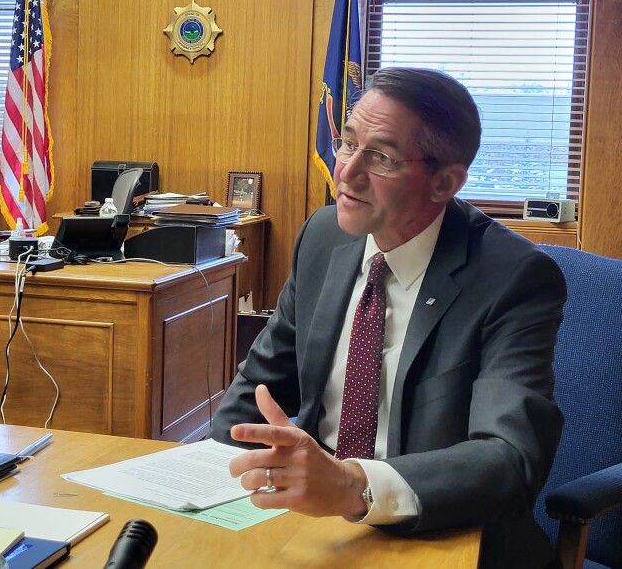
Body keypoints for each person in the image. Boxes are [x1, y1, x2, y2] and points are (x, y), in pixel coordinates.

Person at [209, 67, 567, 568]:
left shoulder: (514, 279)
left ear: (445, 181)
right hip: (313, 527)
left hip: (444, 536)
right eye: (348, 143)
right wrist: (200, 475)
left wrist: (353, 484)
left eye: (380, 157)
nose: (347, 172)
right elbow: (260, 386)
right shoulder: (323, 236)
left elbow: (510, 459)